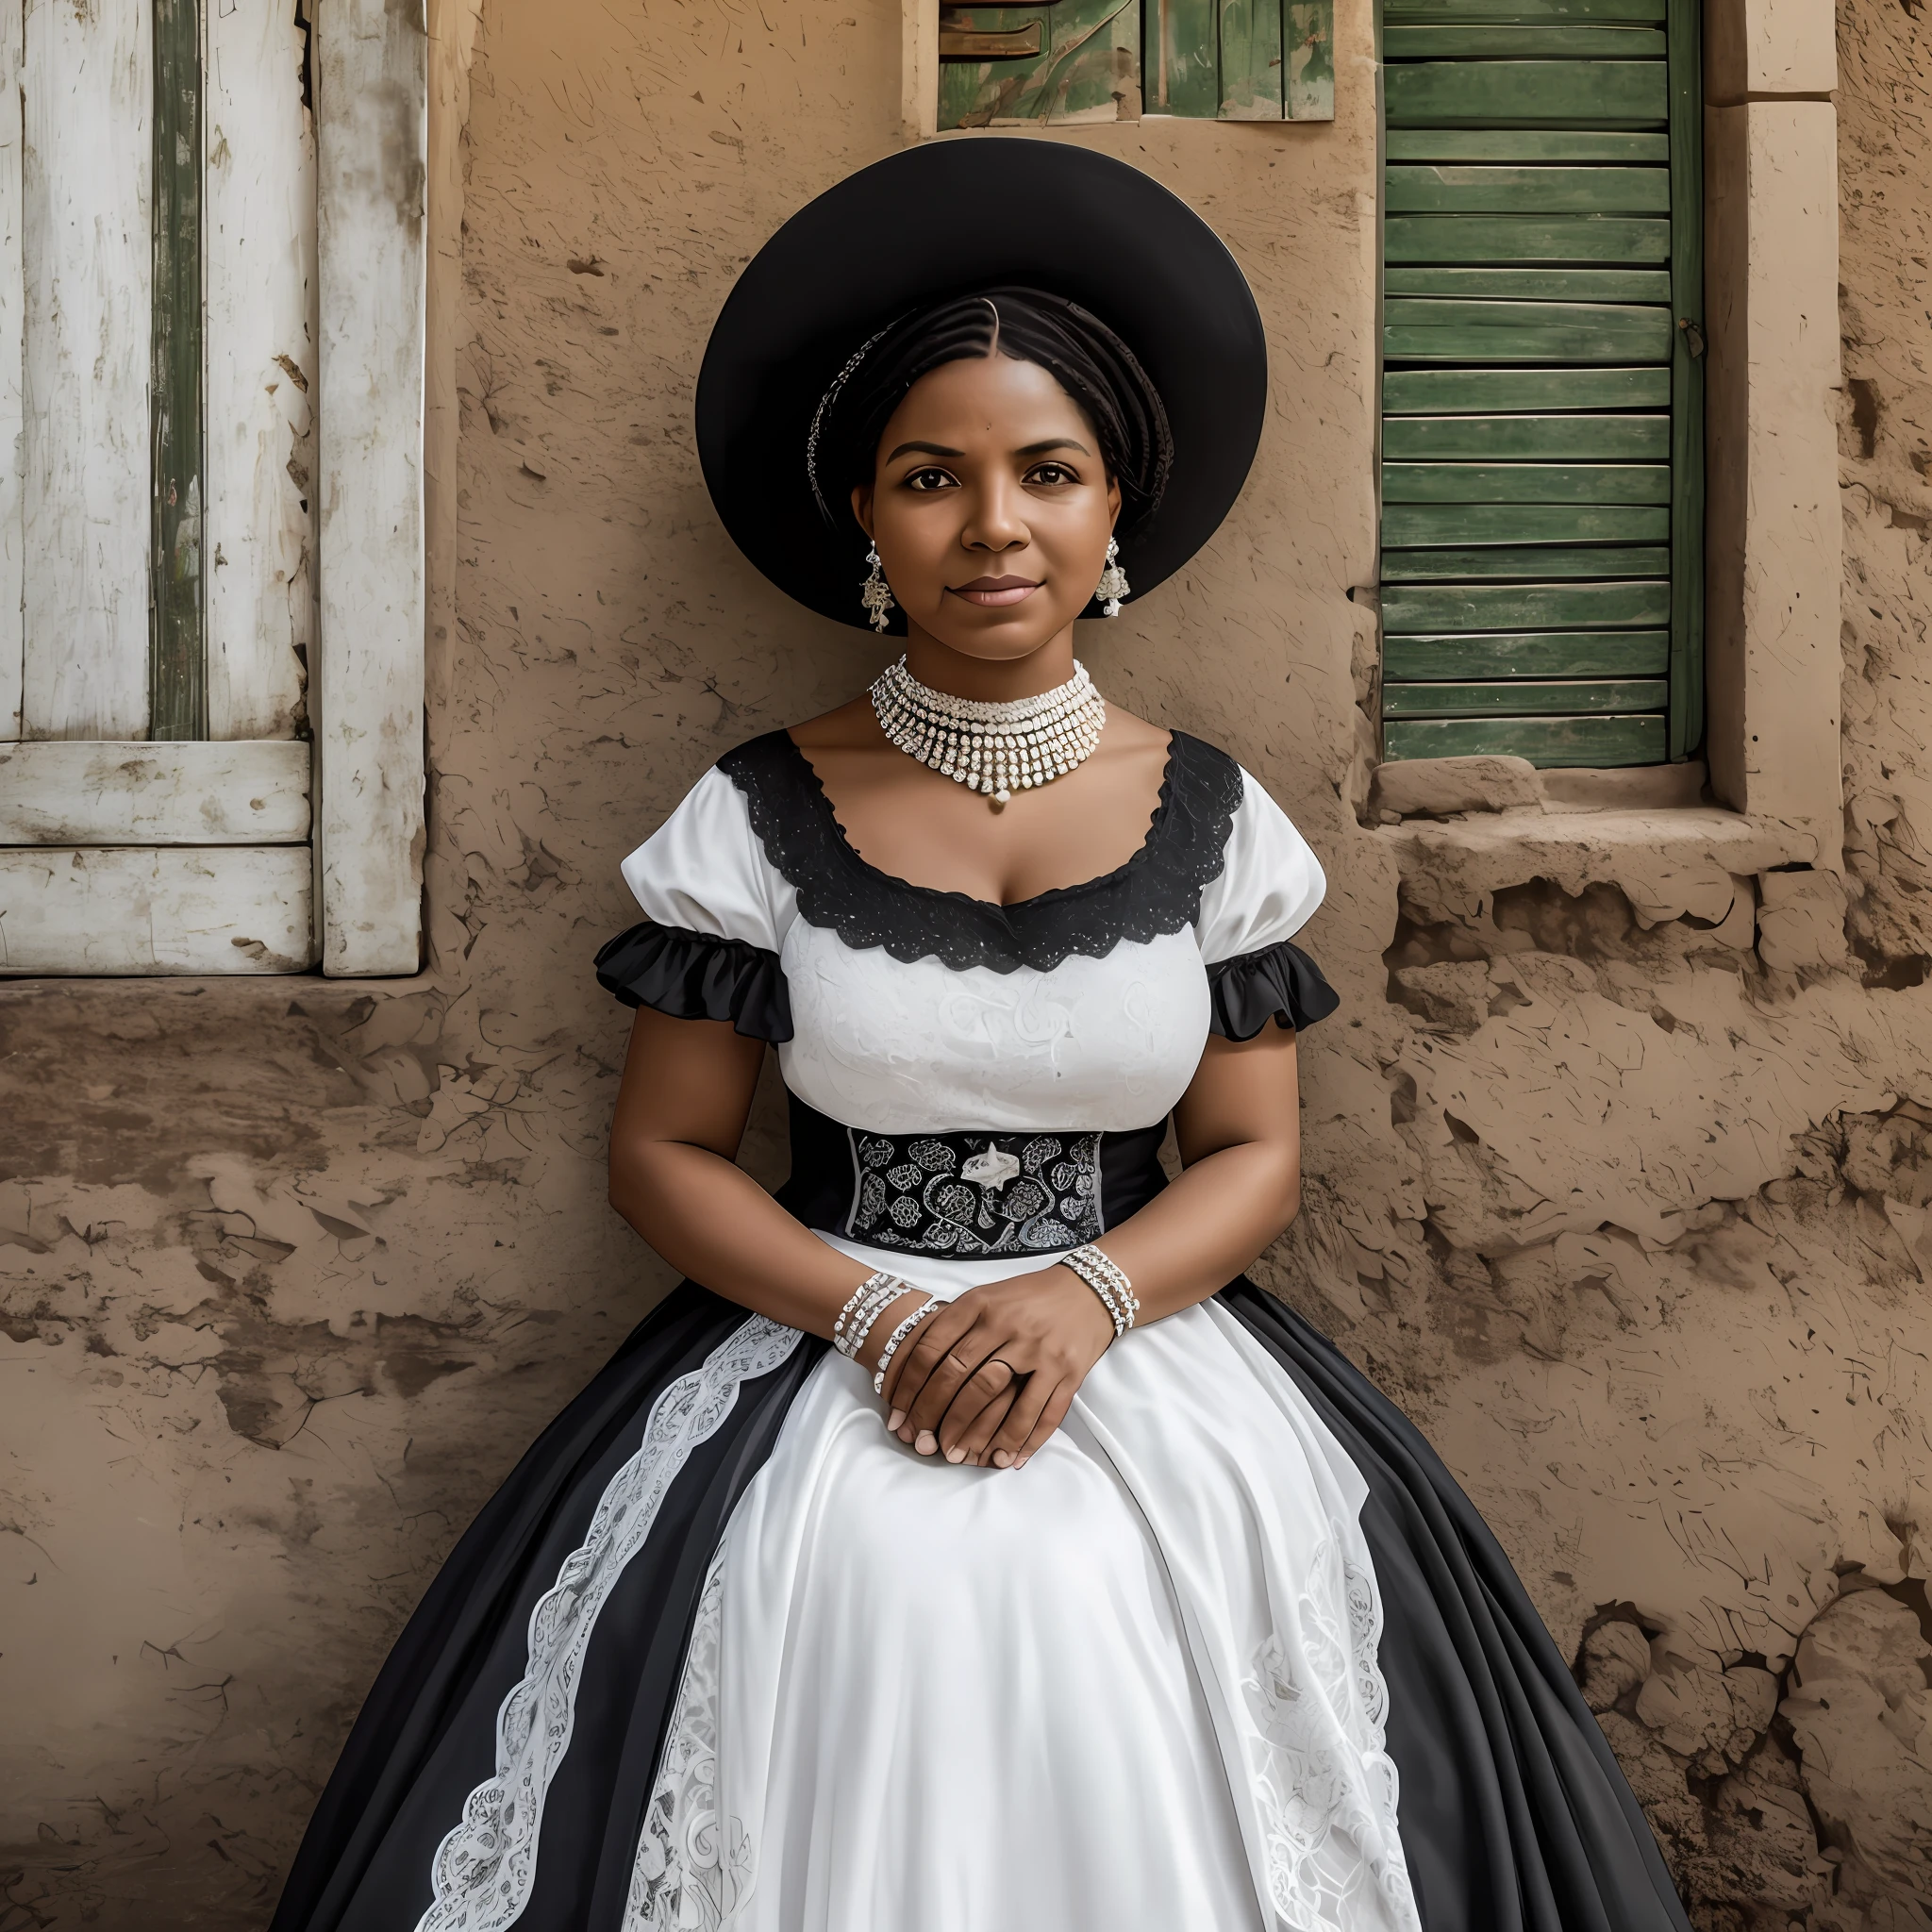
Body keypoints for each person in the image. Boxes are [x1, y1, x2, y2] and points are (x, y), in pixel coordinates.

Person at [271, 141, 1694, 1932]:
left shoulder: (1221, 822)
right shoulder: (749, 817)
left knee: (1127, 1603)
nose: (993, 526)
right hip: (821, 1337)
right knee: (862, 1591)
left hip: (1147, 1338)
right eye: (933, 478)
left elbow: (1254, 1155)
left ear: (1116, 517)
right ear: (868, 518)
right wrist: (876, 1310)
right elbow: (662, 1156)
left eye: (1049, 473)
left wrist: (1082, 1298)